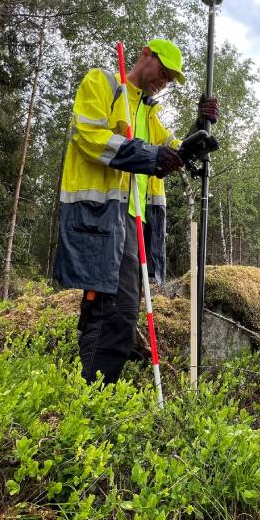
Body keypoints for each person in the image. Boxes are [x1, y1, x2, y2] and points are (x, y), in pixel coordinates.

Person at [54, 38, 219, 384]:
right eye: (163, 71)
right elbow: (89, 136)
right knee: (113, 310)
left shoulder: (148, 113)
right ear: (145, 56)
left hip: (135, 222)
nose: (164, 81)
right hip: (101, 216)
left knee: (116, 310)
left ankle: (94, 390)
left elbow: (174, 152)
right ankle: (93, 394)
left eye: (171, 79)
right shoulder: (103, 84)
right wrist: (149, 156)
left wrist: (199, 127)